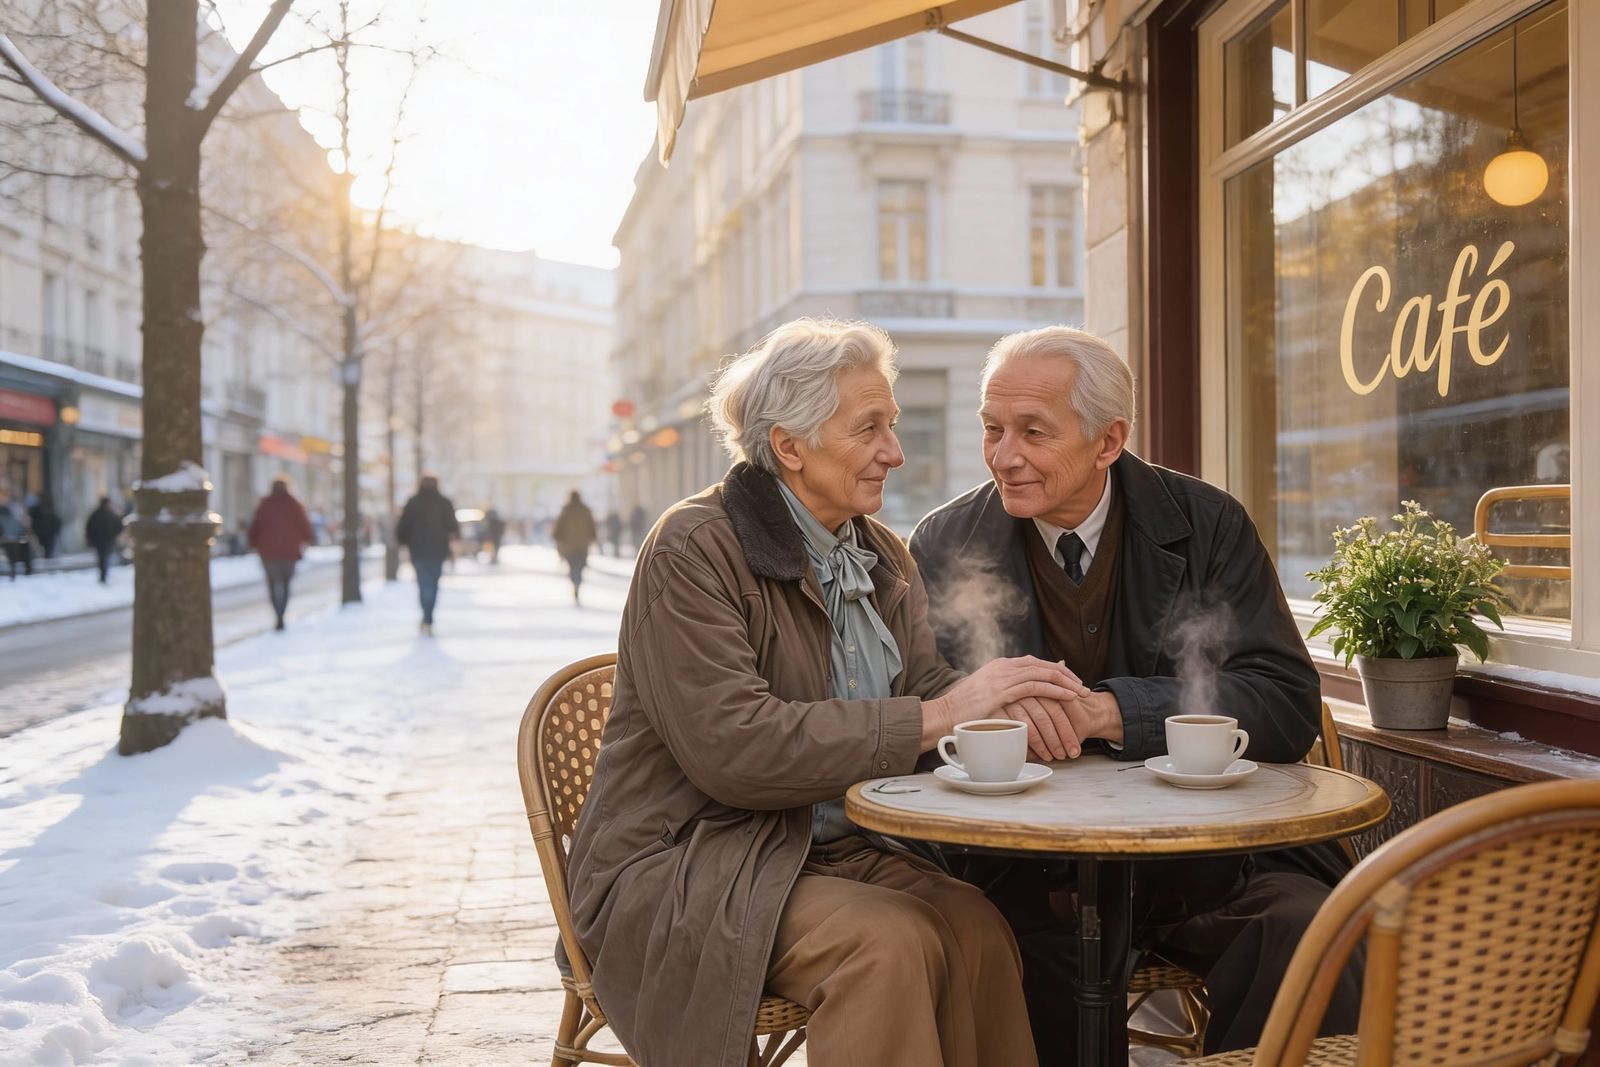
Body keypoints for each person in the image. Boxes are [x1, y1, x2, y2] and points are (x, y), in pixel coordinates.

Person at [566, 318, 1090, 1067]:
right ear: (790, 446)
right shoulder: (694, 548)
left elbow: (928, 690)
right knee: (888, 943)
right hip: (693, 855)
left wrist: (1012, 708)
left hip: (831, 848)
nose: (895, 452)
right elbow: (737, 748)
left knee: (978, 925)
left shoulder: (878, 553)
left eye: (893, 425)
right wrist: (942, 712)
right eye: (869, 428)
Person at [909, 326, 1361, 1059]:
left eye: (1032, 431)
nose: (1003, 455)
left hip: (1206, 861)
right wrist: (989, 703)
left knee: (1310, 927)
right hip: (1025, 873)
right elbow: (923, 710)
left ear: (1108, 441)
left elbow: (1282, 698)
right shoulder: (943, 541)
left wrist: (1109, 710)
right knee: (1019, 963)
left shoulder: (1208, 524)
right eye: (992, 429)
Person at [247, 477, 314, 631]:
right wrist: (307, 538)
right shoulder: (295, 504)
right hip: (289, 553)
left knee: (271, 584)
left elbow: (255, 526)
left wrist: (252, 543)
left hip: (268, 552)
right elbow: (304, 526)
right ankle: (282, 614)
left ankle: (278, 615)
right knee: (285, 584)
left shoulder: (265, 504)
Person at [396, 475, 458, 634]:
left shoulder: (413, 502)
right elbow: (453, 526)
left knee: (423, 584)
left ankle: (426, 616)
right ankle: (428, 617)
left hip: (418, 551)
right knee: (433, 583)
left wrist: (403, 541)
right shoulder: (444, 502)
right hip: (438, 550)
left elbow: (403, 526)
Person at [552, 491, 597, 605]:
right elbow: (591, 526)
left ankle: (575, 581)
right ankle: (577, 581)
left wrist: (557, 538)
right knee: (580, 566)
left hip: (569, 546)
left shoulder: (566, 510)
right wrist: (592, 538)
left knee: (572, 566)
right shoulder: (585, 510)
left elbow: (559, 528)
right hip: (582, 544)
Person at [85, 497, 124, 583]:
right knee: (104, 557)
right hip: (105, 540)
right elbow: (119, 526)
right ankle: (103, 574)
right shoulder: (109, 514)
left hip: (101, 540)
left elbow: (89, 528)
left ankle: (103, 574)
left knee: (102, 557)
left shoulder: (96, 514)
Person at [0, 494, 33, 579]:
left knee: (16, 554)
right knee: (13, 555)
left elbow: (22, 524)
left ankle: (23, 570)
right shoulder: (8, 511)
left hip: (14, 537)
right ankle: (18, 571)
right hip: (10, 538)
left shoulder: (14, 510)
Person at [26, 494, 60, 559]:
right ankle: (48, 556)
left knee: (47, 547)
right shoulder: (43, 510)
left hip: (46, 531)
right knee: (48, 547)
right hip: (47, 532)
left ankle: (48, 556)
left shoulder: (36, 513)